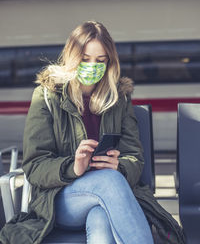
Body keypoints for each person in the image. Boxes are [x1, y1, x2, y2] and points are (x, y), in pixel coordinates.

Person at [0, 21, 185, 244]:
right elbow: (34, 166)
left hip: (109, 196)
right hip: (60, 199)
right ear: (72, 57)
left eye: (100, 60)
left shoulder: (118, 98)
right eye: (85, 59)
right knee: (108, 181)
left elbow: (134, 158)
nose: (92, 65)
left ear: (109, 62)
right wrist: (73, 166)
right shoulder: (48, 96)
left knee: (101, 218)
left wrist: (121, 166)